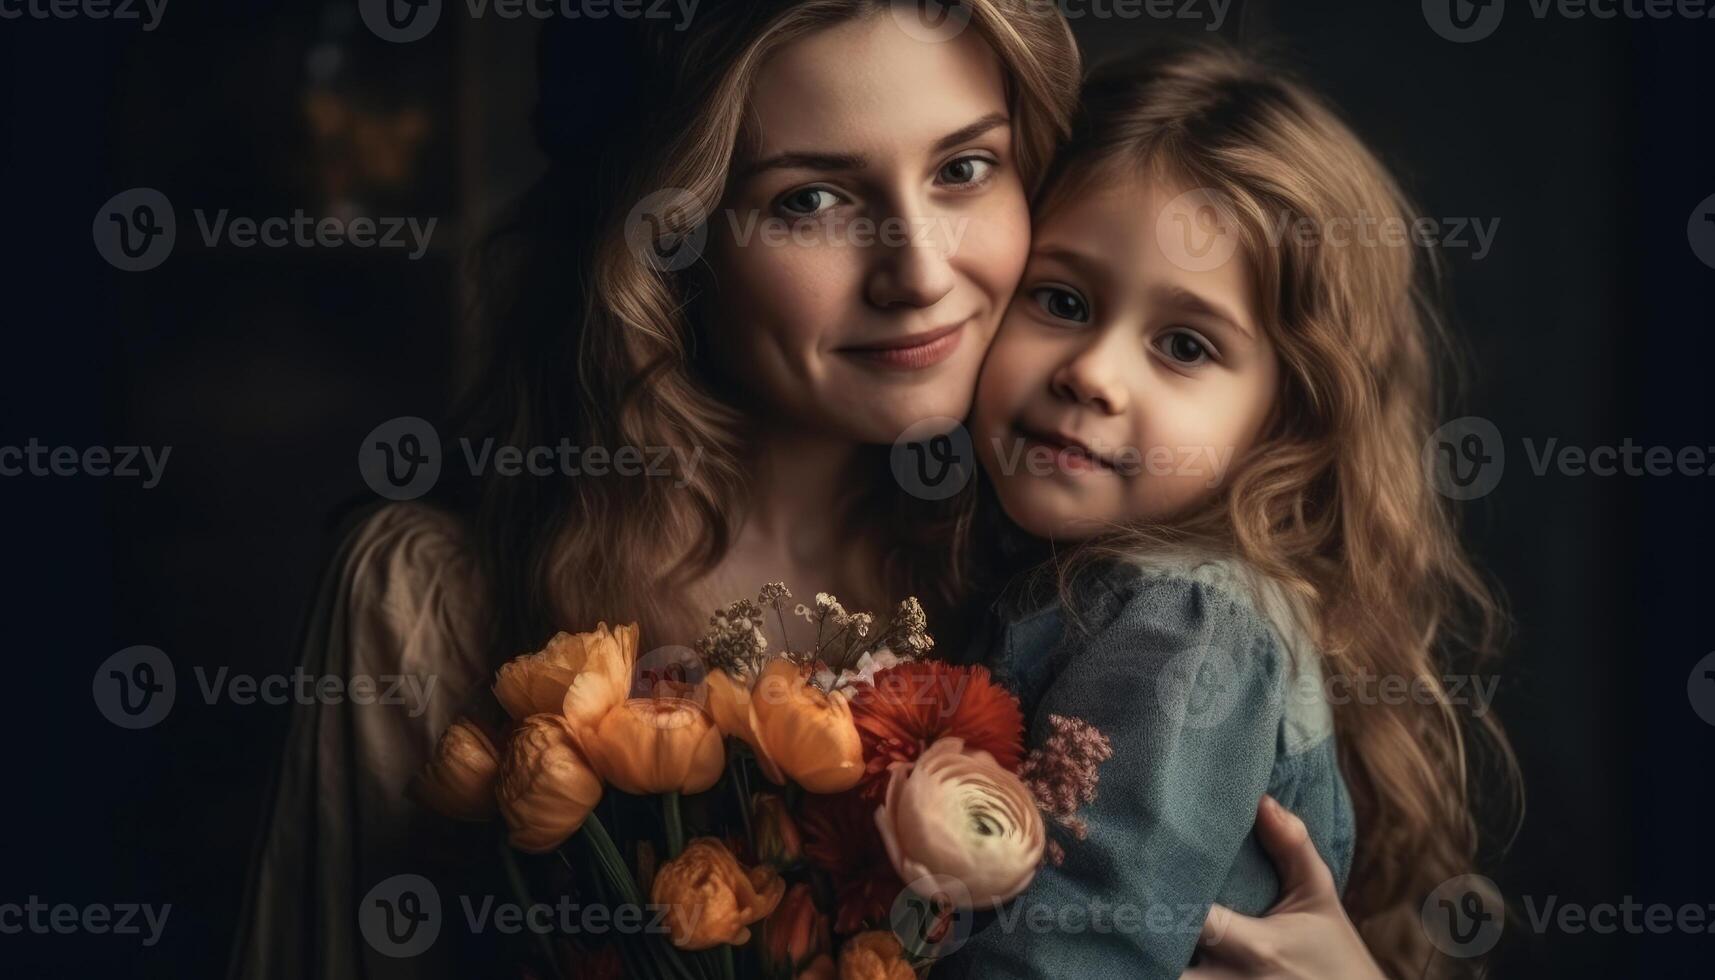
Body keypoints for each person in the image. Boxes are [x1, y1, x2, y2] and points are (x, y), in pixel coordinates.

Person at [228, 7, 1395, 977]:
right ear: (670, 240)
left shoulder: (1080, 567)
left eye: (964, 168)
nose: (920, 272)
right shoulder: (433, 598)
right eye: (809, 200)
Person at [936, 42, 1512, 978]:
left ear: (1284, 420)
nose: (1091, 372)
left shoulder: (1188, 624)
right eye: (1062, 299)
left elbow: (1073, 954)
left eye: (1183, 345)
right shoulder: (1043, 574)